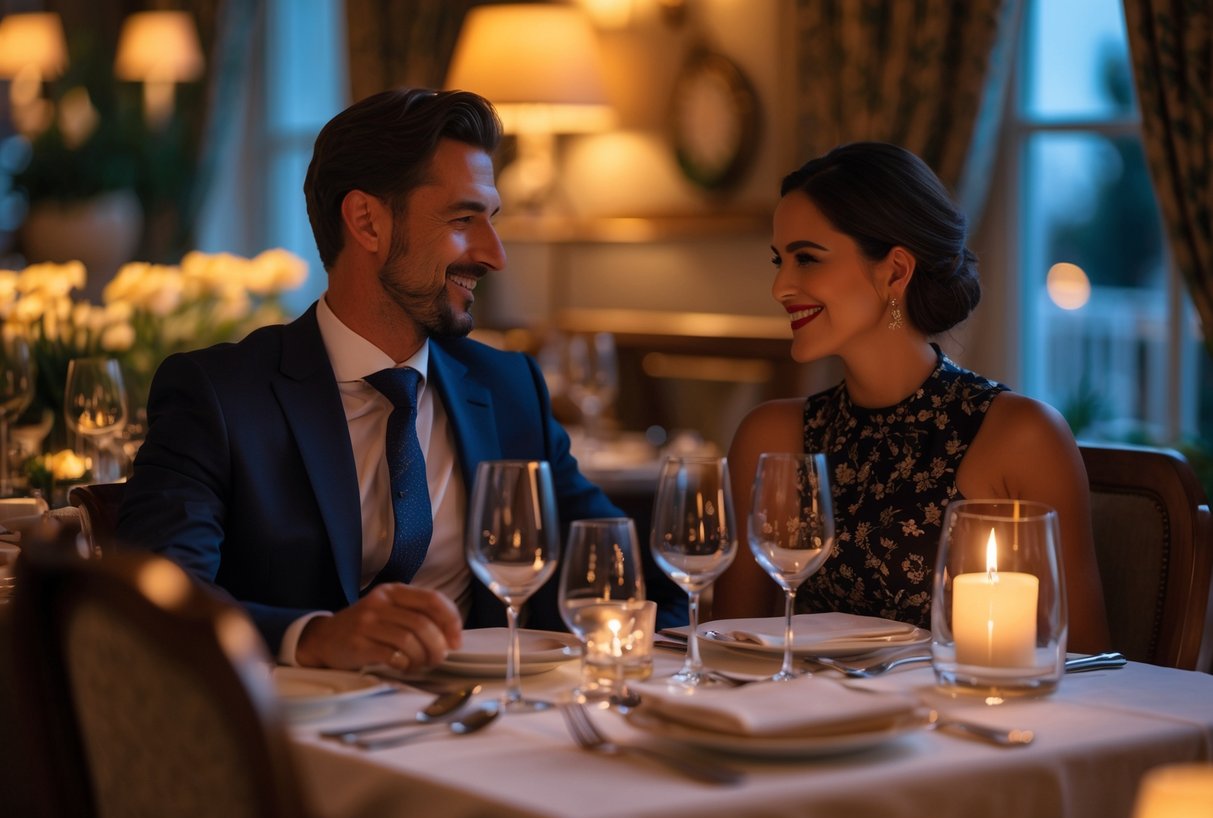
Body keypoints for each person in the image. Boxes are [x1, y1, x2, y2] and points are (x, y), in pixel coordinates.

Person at [117, 88, 683, 672]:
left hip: (487, 715)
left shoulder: (509, 389)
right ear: (367, 221)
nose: (494, 255)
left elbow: (634, 577)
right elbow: (154, 590)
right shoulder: (218, 395)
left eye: (491, 220)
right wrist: (313, 639)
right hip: (298, 720)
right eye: (463, 220)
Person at [713, 142, 1111, 653]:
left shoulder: (1021, 437)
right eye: (780, 261)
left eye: (807, 258)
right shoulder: (772, 438)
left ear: (896, 271)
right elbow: (731, 648)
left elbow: (1084, 662)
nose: (780, 287)